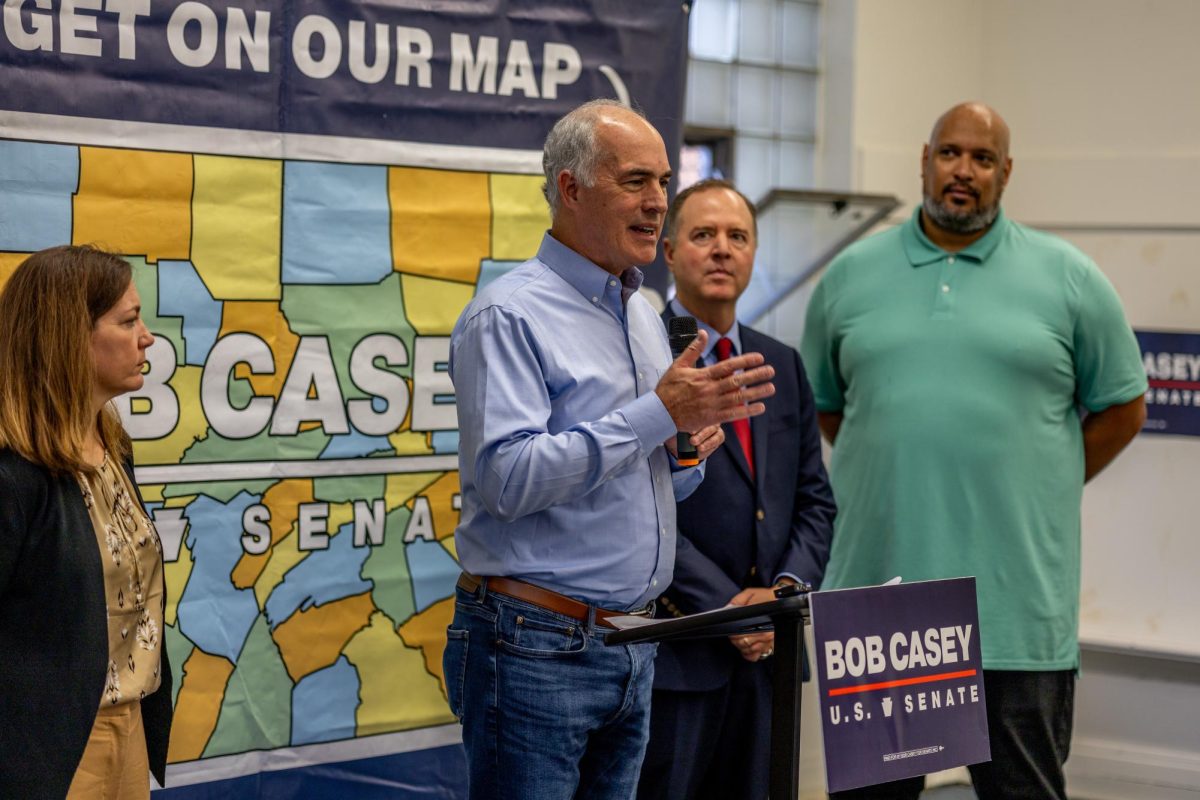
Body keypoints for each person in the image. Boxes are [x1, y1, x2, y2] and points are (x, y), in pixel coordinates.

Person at [800, 102, 1147, 800]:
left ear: (1006, 172)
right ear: (923, 161)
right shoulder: (848, 276)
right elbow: (828, 406)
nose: (964, 171)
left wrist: (1040, 479)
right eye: (950, 153)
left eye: (982, 159)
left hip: (1015, 612)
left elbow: (1123, 407)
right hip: (881, 607)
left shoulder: (1070, 278)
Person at [444, 100, 777, 800]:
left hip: (632, 644)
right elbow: (506, 480)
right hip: (536, 644)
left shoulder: (638, 313)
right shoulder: (509, 315)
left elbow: (648, 483)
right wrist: (658, 414)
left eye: (662, 182)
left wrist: (683, 453)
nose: (658, 203)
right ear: (570, 188)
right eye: (635, 182)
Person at [637, 179, 836, 800]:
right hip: (681, 650)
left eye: (737, 236)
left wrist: (780, 594)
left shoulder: (783, 360)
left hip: (770, 654)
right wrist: (727, 607)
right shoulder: (642, 358)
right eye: (703, 235)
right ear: (668, 252)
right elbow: (640, 507)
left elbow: (815, 502)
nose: (722, 249)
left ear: (753, 252)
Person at [0, 245, 173, 800]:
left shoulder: (111, 442)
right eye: (128, 321)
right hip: (45, 753)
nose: (147, 338)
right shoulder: (12, 472)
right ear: (68, 336)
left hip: (126, 725)